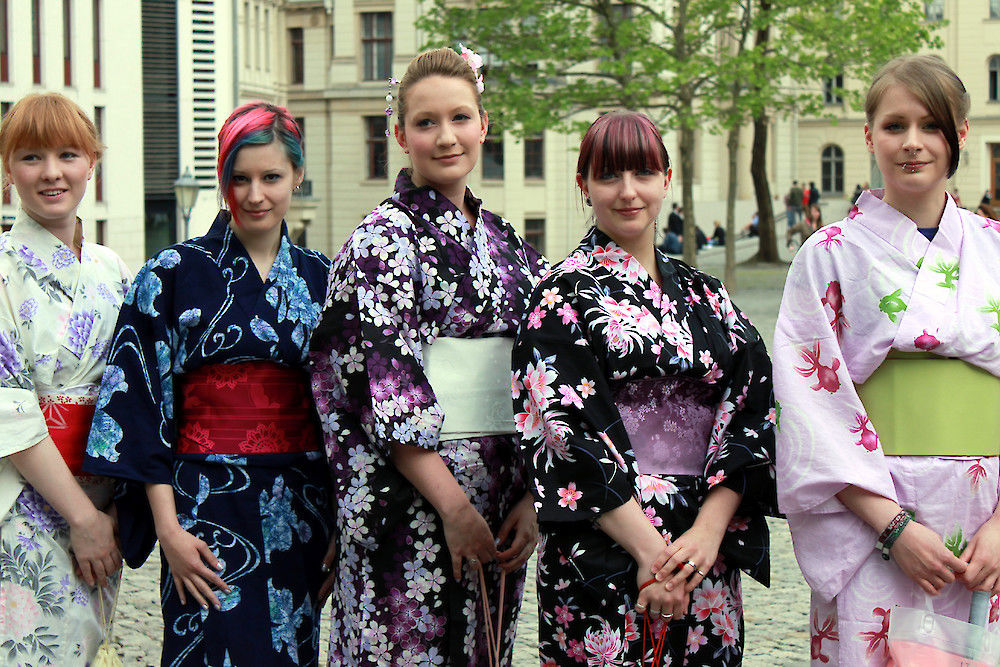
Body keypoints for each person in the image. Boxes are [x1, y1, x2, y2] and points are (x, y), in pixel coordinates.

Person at [308, 46, 547, 665]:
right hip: (412, 498)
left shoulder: (508, 243)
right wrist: (454, 507)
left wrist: (529, 497)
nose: (447, 137)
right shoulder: (380, 241)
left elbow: (538, 372)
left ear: (484, 124)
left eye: (461, 118)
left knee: (486, 650)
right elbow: (384, 388)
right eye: (426, 122)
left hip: (499, 502)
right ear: (399, 134)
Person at [512, 111, 778, 666]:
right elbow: (568, 434)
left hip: (702, 546)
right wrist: (654, 556)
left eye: (643, 174)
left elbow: (753, 406)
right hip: (605, 540)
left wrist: (707, 533)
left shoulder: (707, 295)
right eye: (609, 176)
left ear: (667, 178)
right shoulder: (560, 295)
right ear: (583, 185)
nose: (628, 192)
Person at [84, 102, 332, 666]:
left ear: (297, 175)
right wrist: (168, 531)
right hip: (201, 507)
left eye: (271, 177)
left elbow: (343, 412)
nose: (254, 195)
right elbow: (139, 404)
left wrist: (345, 522)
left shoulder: (324, 278)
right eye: (238, 179)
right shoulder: (172, 272)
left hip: (302, 509)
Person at [774, 54, 1000, 666]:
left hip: (989, 520)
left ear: (960, 136)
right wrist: (894, 527)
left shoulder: (996, 250)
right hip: (875, 514)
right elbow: (808, 407)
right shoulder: (828, 255)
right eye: (895, 126)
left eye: (932, 125)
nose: (914, 143)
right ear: (868, 136)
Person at [0, 93, 128, 665]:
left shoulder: (112, 269)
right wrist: (80, 518)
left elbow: (138, 394)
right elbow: (10, 408)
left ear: (92, 163)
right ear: (8, 170)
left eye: (68, 154)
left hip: (105, 506)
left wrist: (112, 514)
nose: (52, 173)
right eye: (30, 157)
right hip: (22, 505)